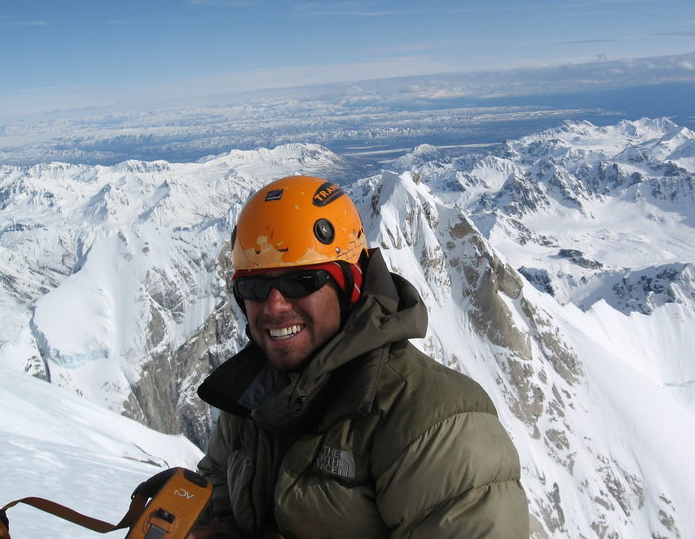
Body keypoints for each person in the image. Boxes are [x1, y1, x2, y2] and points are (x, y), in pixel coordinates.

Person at [188, 175, 529, 539]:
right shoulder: (252, 399)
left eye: (301, 282)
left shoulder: (438, 426)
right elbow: (218, 492)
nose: (274, 305)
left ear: (350, 284)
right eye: (254, 286)